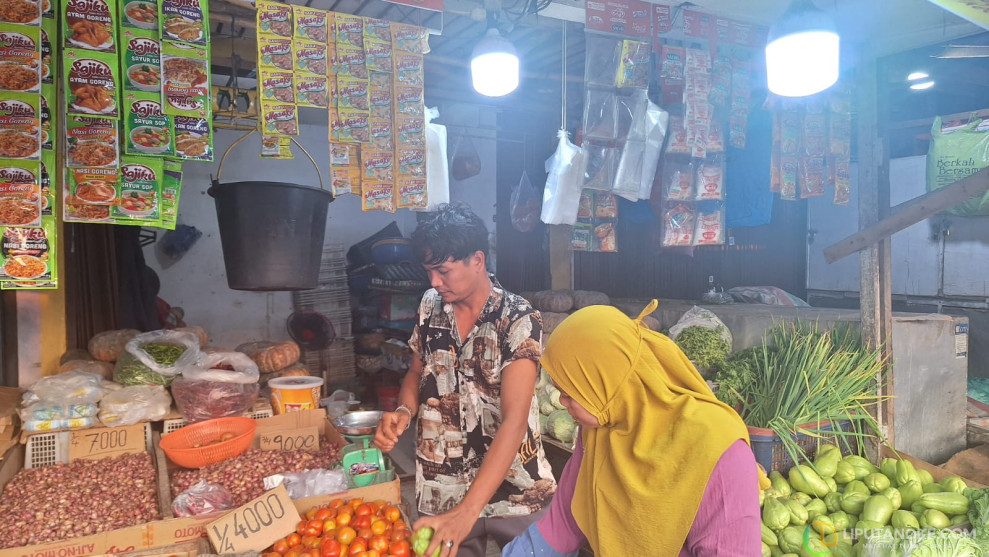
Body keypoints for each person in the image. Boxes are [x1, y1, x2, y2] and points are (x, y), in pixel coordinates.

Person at [503, 300, 767, 557]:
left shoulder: (717, 450)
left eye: (570, 391)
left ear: (607, 381)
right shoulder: (601, 429)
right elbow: (564, 522)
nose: (561, 401)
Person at [375, 202, 557, 557]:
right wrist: (402, 411)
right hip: (442, 483)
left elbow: (515, 422)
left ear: (477, 260)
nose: (434, 282)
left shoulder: (517, 318)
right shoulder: (430, 306)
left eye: (443, 270)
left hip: (514, 487)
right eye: (429, 271)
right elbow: (416, 372)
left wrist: (468, 512)